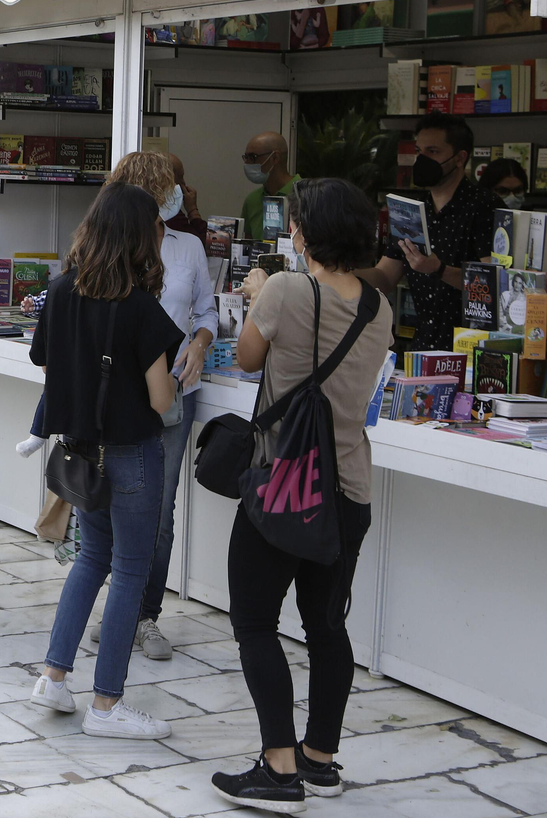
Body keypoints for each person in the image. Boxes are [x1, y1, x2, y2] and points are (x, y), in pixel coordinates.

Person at [210, 178, 393, 811]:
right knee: (325, 626)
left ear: (304, 233)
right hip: (349, 488)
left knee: (255, 621)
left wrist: (261, 294)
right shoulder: (378, 305)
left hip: (286, 483)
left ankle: (278, 769)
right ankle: (320, 760)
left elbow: (247, 360)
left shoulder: (287, 289)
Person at [27, 182, 183, 740]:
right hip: (133, 452)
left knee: (91, 558)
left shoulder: (61, 291)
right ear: (143, 237)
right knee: (132, 570)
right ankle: (108, 703)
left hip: (81, 450)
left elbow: (48, 366)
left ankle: (53, 674)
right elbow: (162, 401)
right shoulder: (142, 309)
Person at [104, 152, 215, 660]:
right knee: (107, 506)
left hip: (175, 395)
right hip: (119, 395)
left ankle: (145, 616)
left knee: (160, 513)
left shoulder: (188, 246)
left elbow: (207, 311)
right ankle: (113, 609)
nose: (174, 195)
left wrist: (199, 342)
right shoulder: (107, 246)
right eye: (165, 188)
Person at [359, 113, 495, 350]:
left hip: (471, 350)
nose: (421, 159)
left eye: (433, 151)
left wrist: (439, 269)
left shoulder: (484, 207)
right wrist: (341, 273)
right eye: (419, 150)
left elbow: (494, 284)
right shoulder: (411, 212)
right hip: (422, 347)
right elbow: (385, 277)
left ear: (460, 158)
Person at [241, 132, 298, 241]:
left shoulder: (305, 196)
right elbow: (248, 245)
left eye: (252, 157)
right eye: (245, 157)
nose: (247, 163)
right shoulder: (252, 200)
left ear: (275, 158)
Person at [163, 153, 210, 253]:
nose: (183, 182)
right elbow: (201, 245)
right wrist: (193, 210)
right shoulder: (169, 214)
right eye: (180, 177)